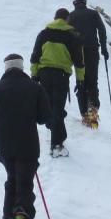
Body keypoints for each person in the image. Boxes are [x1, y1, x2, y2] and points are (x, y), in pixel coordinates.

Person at [0, 53, 52, 219]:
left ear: (6, 68)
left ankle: (8, 217)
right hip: (28, 144)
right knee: (25, 184)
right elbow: (44, 117)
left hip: (4, 145)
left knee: (12, 178)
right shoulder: (35, 88)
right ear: (22, 68)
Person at [30, 8, 82, 155]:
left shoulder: (44, 34)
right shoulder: (72, 36)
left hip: (43, 74)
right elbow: (79, 62)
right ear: (67, 19)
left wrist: (34, 76)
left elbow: (35, 57)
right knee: (58, 108)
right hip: (61, 76)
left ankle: (55, 129)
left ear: (54, 18)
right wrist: (80, 80)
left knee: (50, 106)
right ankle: (56, 145)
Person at [67, 0, 109, 129]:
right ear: (85, 2)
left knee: (81, 81)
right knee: (92, 81)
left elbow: (67, 34)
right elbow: (102, 30)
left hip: (77, 51)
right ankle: (93, 113)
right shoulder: (93, 14)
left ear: (74, 3)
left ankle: (84, 114)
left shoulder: (71, 16)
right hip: (92, 50)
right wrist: (104, 48)